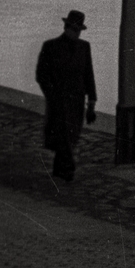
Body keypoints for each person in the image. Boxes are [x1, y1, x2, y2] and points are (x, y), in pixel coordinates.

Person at [36, 10, 97, 182]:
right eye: (73, 29)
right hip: (58, 100)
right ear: (66, 27)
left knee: (70, 135)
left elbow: (88, 75)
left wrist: (91, 104)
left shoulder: (84, 47)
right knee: (62, 134)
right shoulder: (50, 46)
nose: (76, 33)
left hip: (77, 101)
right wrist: (52, 95)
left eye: (78, 30)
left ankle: (58, 168)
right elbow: (42, 75)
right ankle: (68, 168)